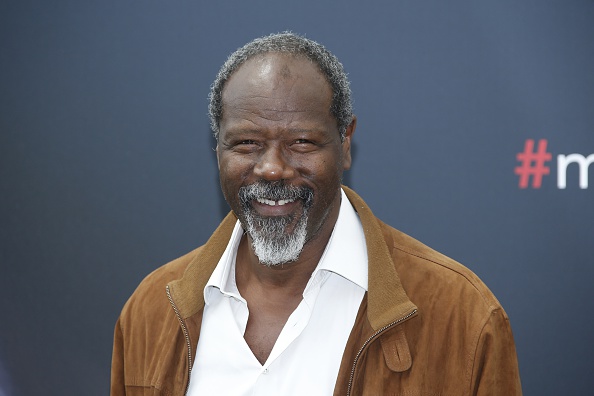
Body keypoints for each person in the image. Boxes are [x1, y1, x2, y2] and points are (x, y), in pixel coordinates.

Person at [111, 32, 522, 395]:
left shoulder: (463, 317)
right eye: (247, 142)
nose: (272, 168)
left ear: (345, 143)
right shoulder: (151, 311)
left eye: (302, 142)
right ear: (217, 148)